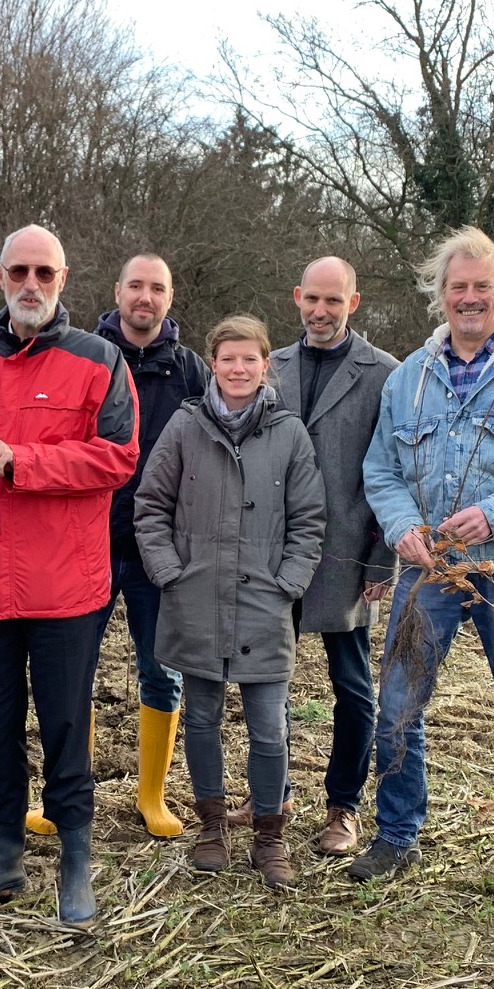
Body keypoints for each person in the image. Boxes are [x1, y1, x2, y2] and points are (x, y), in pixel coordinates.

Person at [352, 227, 494, 906]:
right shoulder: (409, 378)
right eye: (459, 287)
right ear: (441, 295)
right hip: (428, 572)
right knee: (397, 705)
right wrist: (402, 527)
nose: (470, 297)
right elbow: (381, 469)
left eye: (483, 286)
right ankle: (396, 834)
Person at [0, 225, 139, 927]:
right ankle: (3, 854)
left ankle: (76, 860)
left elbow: (117, 458)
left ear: (63, 278)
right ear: (0, 276)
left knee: (65, 726)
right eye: (19, 271)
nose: (31, 284)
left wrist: (26, 461)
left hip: (65, 588)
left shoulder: (100, 360)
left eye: (44, 272)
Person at [134, 314, 326, 886]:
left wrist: (289, 581)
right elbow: (151, 505)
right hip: (196, 600)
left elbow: (310, 518)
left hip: (266, 602)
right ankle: (212, 827)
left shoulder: (289, 433)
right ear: (212, 364)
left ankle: (269, 836)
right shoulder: (184, 426)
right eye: (227, 359)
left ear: (266, 365)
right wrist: (169, 572)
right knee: (201, 718)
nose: (238, 369)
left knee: (269, 728)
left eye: (249, 359)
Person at [27, 252, 208, 839]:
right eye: (135, 286)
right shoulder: (79, 355)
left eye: (157, 287)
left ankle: (151, 796)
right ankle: (65, 797)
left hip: (160, 547)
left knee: (162, 671)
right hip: (85, 541)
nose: (144, 297)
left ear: (170, 297)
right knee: (71, 672)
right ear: (117, 291)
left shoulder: (192, 371)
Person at [239, 255, 398, 858]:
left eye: (334, 300)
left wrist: (382, 559)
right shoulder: (269, 367)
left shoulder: (384, 374)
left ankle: (343, 807)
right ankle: (271, 795)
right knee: (267, 681)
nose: (321, 311)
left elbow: (392, 473)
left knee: (352, 687)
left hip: (346, 554)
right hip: (271, 554)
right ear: (297, 297)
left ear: (353, 303)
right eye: (313, 299)